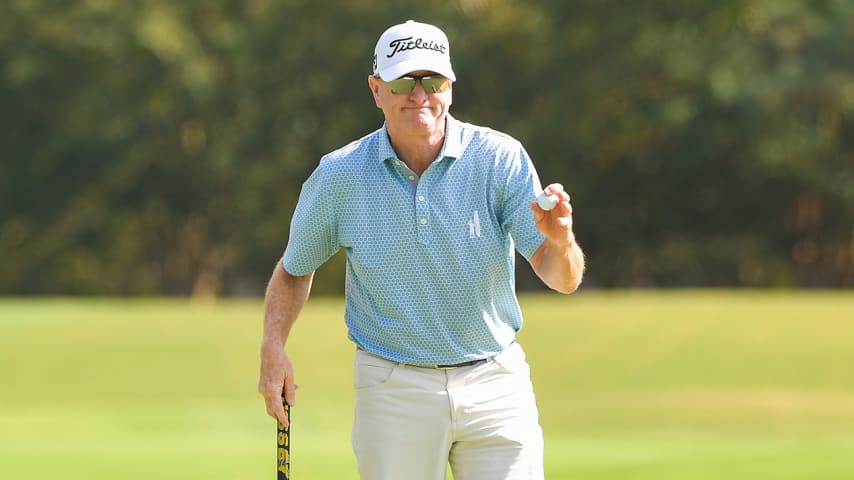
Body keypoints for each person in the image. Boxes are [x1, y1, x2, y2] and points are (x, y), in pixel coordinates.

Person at [258, 20, 585, 480]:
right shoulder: (340, 175)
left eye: (433, 81)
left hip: (494, 382)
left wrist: (561, 241)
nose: (420, 95)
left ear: (450, 87)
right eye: (402, 82)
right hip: (393, 387)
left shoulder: (499, 159)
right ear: (376, 90)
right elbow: (294, 269)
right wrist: (273, 349)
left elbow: (563, 278)